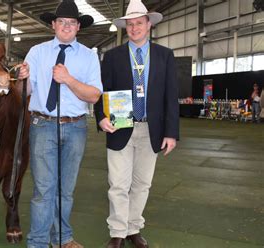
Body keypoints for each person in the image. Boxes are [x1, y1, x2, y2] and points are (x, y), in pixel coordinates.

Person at [93, 0, 179, 247]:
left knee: (142, 184)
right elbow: (102, 92)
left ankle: (133, 228)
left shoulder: (165, 55)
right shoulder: (112, 56)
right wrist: (101, 117)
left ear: (148, 24)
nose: (134, 28)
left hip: (152, 130)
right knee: (118, 184)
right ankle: (117, 233)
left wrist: (171, 133)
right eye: (129, 25)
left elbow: (170, 96)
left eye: (138, 23)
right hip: (119, 128)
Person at [17, 1, 102, 247]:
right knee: (44, 189)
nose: (66, 26)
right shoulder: (37, 52)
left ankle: (63, 238)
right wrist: (21, 79)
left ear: (78, 28)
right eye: (62, 22)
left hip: (76, 127)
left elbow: (94, 95)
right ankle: (39, 242)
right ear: (53, 25)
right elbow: (25, 90)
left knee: (66, 189)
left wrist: (68, 79)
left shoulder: (89, 56)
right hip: (43, 125)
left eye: (72, 23)